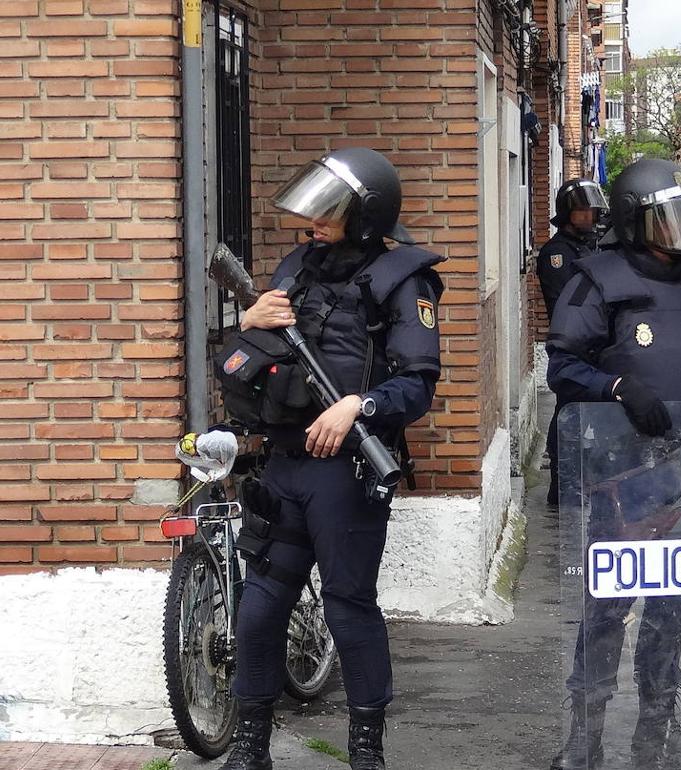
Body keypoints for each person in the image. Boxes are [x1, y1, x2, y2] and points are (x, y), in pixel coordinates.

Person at [217, 147, 444, 770]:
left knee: (348, 606)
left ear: (366, 217)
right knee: (260, 608)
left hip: (345, 471)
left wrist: (359, 407)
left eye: (330, 211)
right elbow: (246, 368)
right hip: (283, 466)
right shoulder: (296, 266)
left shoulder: (404, 280)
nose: (313, 220)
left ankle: (365, 750)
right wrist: (250, 322)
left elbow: (419, 383)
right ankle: (250, 745)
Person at [545, 157, 681, 769]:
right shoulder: (598, 280)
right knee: (609, 605)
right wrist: (618, 389)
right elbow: (564, 366)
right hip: (622, 472)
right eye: (668, 219)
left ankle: (657, 728)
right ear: (637, 224)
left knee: (672, 606)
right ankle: (584, 733)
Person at [537, 179, 609, 506]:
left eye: (592, 208)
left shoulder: (595, 246)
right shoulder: (557, 253)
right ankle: (561, 482)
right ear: (568, 213)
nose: (590, 214)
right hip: (574, 345)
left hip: (601, 346)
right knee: (568, 413)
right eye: (583, 209)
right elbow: (570, 300)